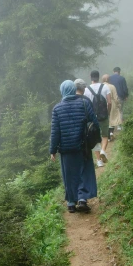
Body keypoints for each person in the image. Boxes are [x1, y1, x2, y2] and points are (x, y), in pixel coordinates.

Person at [50, 80, 98, 213]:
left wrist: (52, 150)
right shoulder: (84, 103)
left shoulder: (57, 109)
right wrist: (95, 140)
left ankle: (71, 203)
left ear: (62, 91)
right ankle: (82, 199)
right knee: (84, 172)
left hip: (66, 150)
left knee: (69, 175)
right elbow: (94, 123)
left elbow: (55, 132)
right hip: (83, 147)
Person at [84, 70, 111, 167]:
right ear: (98, 77)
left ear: (90, 77)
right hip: (103, 115)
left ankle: (99, 160)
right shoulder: (105, 87)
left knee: (95, 138)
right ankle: (103, 150)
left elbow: (86, 105)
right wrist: (108, 112)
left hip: (92, 118)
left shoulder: (86, 90)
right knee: (104, 135)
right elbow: (109, 102)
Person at [101, 74, 122, 139]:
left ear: (102, 79)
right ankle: (111, 132)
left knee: (106, 119)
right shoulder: (112, 86)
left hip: (102, 104)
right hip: (112, 103)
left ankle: (107, 135)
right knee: (112, 119)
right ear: (109, 79)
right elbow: (115, 97)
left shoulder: (100, 86)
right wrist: (118, 105)